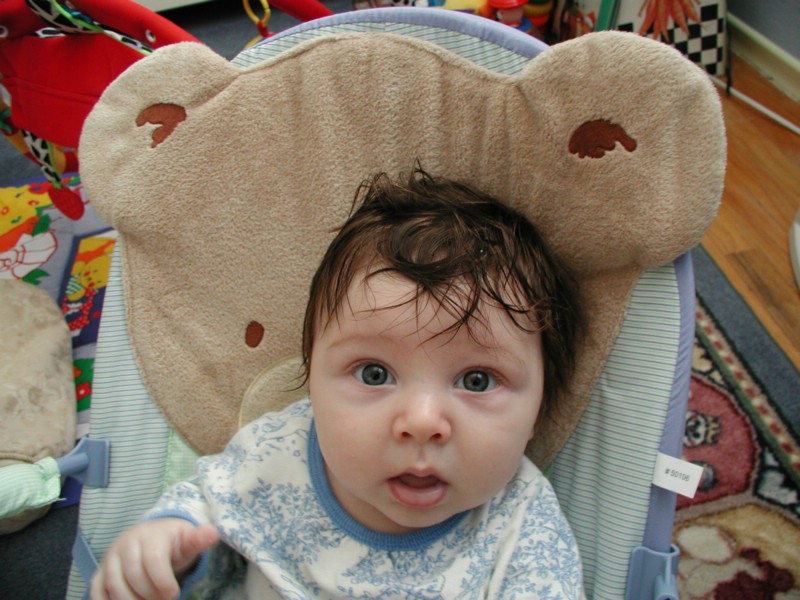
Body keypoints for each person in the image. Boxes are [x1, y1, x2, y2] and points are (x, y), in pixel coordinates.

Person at [90, 166, 586, 599]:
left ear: (538, 410)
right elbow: (208, 507)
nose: (421, 422)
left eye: (477, 380)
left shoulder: (523, 527)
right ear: (313, 382)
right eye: (375, 374)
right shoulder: (277, 453)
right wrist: (169, 546)